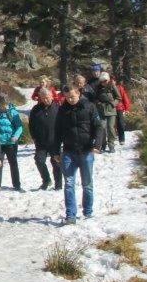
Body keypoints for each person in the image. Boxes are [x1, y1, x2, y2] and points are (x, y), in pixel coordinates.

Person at [54, 85, 102, 225]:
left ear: (79, 94)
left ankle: (87, 211)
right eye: (67, 97)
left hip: (86, 150)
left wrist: (97, 145)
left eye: (72, 97)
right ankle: (70, 215)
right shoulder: (62, 110)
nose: (70, 99)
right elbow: (57, 131)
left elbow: (98, 127)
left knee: (87, 184)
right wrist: (56, 151)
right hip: (69, 152)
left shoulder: (89, 107)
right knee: (69, 184)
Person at [28, 87, 62, 191]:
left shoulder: (58, 108)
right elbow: (31, 125)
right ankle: (46, 180)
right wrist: (34, 137)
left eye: (47, 97)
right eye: (43, 98)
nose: (46, 100)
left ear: (52, 96)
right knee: (39, 161)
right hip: (41, 141)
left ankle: (58, 184)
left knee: (56, 163)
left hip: (54, 141)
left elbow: (63, 124)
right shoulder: (35, 109)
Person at [0, 93, 24, 192]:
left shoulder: (12, 113)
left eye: (4, 103)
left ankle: (16, 184)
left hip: (11, 143)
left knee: (13, 163)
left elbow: (19, 127)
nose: (3, 105)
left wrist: (15, 136)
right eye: (0, 104)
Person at [93, 72, 121, 153]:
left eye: (105, 80)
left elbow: (118, 98)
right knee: (102, 127)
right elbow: (95, 98)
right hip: (101, 110)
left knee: (111, 127)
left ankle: (111, 144)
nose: (104, 82)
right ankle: (102, 144)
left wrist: (113, 104)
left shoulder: (112, 87)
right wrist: (98, 103)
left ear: (108, 80)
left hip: (111, 110)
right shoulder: (98, 88)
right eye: (102, 81)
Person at [115, 78, 132, 145]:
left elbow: (125, 98)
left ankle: (122, 139)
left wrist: (127, 108)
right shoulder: (107, 88)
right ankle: (113, 137)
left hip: (119, 108)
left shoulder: (120, 88)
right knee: (112, 125)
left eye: (113, 80)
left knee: (121, 124)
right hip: (111, 108)